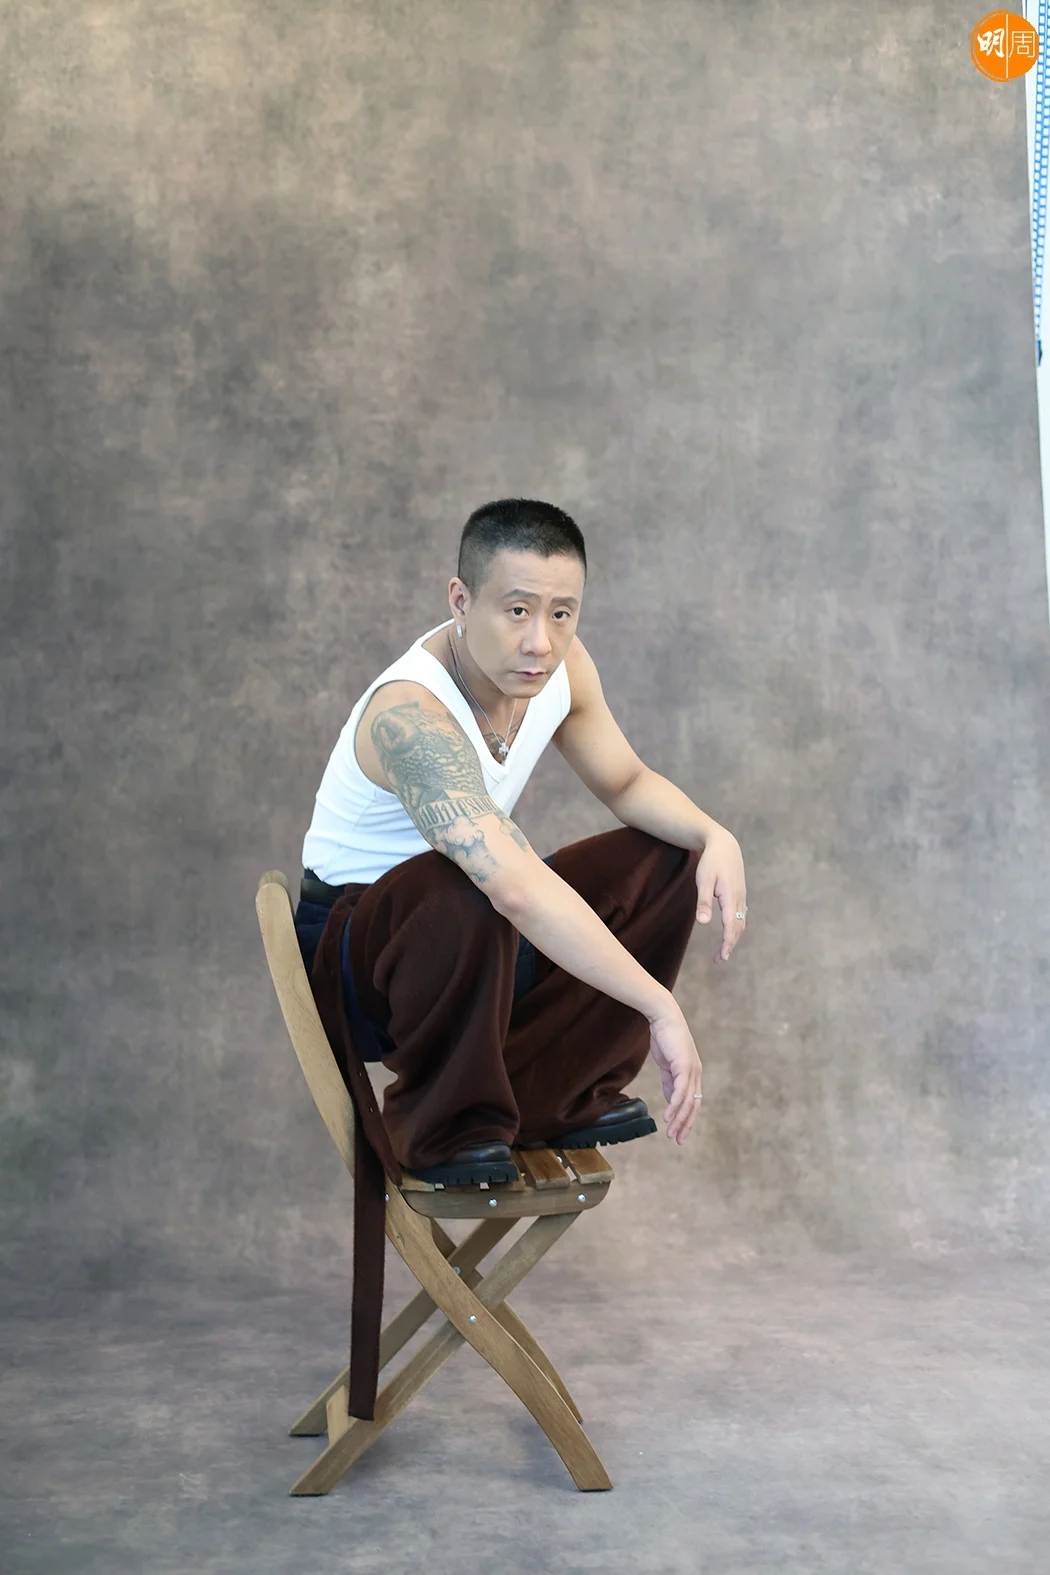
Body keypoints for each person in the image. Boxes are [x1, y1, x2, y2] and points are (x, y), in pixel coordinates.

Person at [294, 497, 748, 1189]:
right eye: (516, 610)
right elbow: (510, 885)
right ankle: (442, 1127)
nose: (540, 641)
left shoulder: (561, 669)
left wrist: (716, 835)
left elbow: (626, 781)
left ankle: (555, 1091)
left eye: (561, 613)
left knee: (666, 858)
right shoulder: (410, 715)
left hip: (478, 940)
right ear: (461, 600)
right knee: (467, 878)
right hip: (359, 963)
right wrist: (660, 1006)